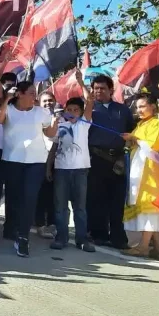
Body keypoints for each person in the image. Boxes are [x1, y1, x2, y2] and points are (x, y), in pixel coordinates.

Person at [0, 81, 58, 257]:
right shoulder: (10, 110)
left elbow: (50, 133)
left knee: (29, 198)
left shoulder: (40, 112)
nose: (34, 97)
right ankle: (10, 228)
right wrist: (6, 99)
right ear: (19, 94)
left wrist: (55, 123)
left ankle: (23, 237)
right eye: (30, 93)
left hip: (36, 162)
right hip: (12, 160)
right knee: (14, 198)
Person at [120, 94, 159, 259]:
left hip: (149, 171)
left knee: (150, 207)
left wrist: (134, 138)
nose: (139, 110)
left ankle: (144, 246)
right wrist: (131, 140)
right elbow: (136, 143)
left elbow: (153, 146)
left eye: (142, 106)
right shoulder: (141, 124)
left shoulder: (158, 123)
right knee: (149, 208)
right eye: (137, 107)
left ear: (153, 106)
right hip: (139, 168)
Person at [48, 70, 95, 252]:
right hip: (61, 169)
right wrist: (48, 168)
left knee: (80, 208)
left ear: (82, 112)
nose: (73, 112)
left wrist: (81, 82)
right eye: (69, 110)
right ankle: (61, 238)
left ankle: (81, 240)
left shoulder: (84, 123)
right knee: (60, 207)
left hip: (81, 170)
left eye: (76, 110)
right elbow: (52, 145)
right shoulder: (60, 124)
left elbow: (90, 100)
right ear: (65, 110)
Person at [86, 75, 135, 249]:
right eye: (96, 88)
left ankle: (118, 237)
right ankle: (98, 234)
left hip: (118, 160)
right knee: (96, 198)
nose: (99, 91)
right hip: (96, 158)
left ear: (111, 90)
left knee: (117, 200)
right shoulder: (89, 110)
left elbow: (132, 130)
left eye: (102, 88)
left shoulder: (123, 110)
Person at [0, 72, 18, 242]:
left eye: (12, 85)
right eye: (5, 85)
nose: (8, 89)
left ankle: (10, 228)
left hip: (13, 153)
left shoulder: (19, 107)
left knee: (13, 192)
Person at [36, 91, 58, 240]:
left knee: (53, 195)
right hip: (38, 159)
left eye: (50, 100)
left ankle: (52, 224)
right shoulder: (36, 117)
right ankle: (40, 224)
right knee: (40, 195)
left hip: (58, 161)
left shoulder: (61, 118)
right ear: (39, 102)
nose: (48, 103)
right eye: (44, 101)